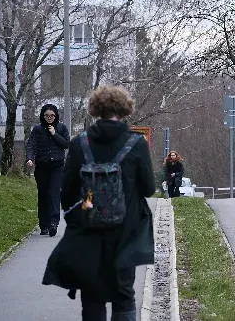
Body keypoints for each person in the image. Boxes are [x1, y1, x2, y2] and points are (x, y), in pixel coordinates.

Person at [43, 85, 154, 321]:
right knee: (124, 294)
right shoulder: (137, 144)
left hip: (89, 228)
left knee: (92, 294)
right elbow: (148, 189)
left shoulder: (80, 144)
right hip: (126, 229)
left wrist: (80, 215)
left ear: (95, 110)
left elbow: (68, 191)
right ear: (125, 110)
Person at [26, 103, 70, 236]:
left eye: (52, 115)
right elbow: (31, 145)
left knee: (54, 193)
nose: (49, 118)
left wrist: (55, 134)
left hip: (57, 166)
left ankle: (53, 223)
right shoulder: (38, 129)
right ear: (43, 116)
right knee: (43, 194)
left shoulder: (61, 127)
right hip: (42, 166)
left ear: (55, 116)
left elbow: (66, 144)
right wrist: (30, 158)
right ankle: (43, 225)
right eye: (46, 115)